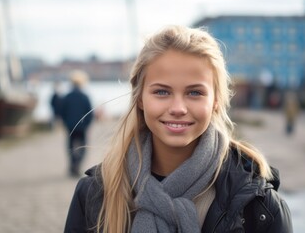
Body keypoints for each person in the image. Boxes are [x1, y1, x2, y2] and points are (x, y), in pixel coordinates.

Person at [64, 26, 292, 232]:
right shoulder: (95, 195)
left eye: (195, 92)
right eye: (162, 92)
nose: (178, 108)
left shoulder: (259, 206)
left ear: (215, 101)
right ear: (140, 98)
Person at [60, 70, 94, 177]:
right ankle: (77, 164)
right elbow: (90, 113)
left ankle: (73, 165)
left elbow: (62, 112)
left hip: (70, 126)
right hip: (82, 127)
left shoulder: (67, 96)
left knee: (70, 147)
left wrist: (65, 123)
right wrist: (87, 124)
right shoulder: (85, 97)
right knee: (83, 147)